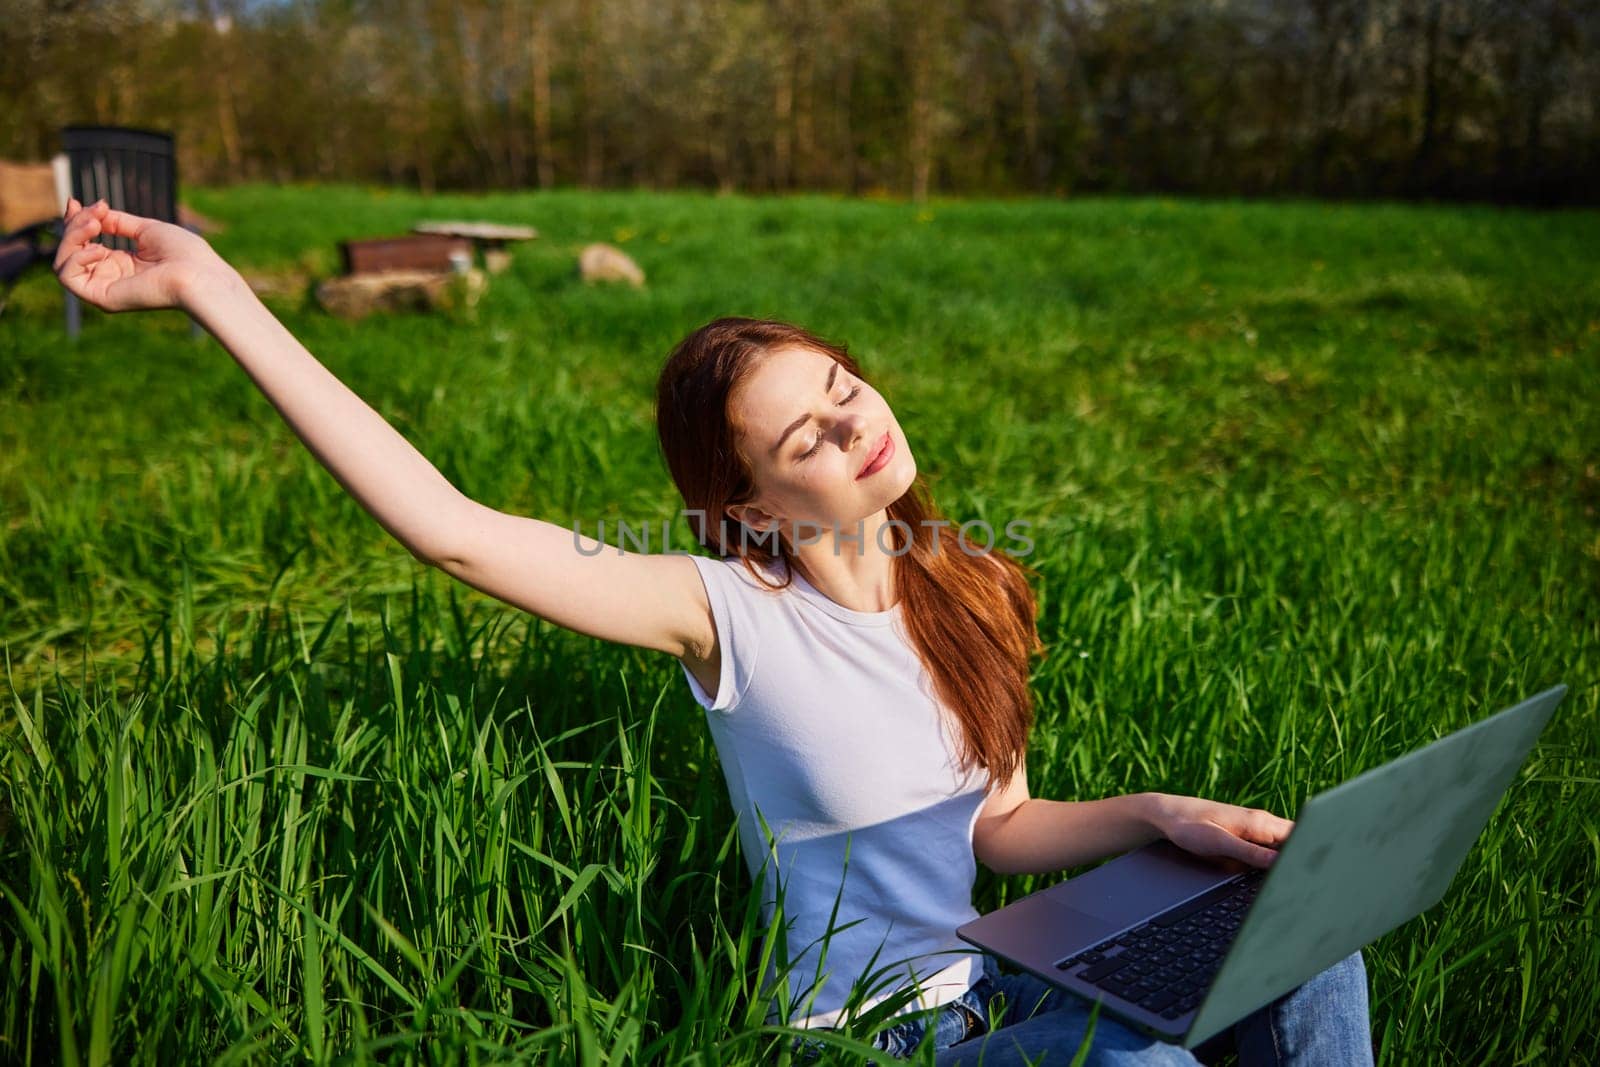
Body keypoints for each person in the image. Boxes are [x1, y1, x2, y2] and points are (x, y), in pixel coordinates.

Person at [53, 198, 1374, 1065]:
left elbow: (996, 831)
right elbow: (448, 526)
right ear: (745, 498)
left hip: (995, 985)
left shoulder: (966, 587)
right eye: (809, 433)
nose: (857, 425)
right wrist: (218, 287)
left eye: (846, 390)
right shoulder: (722, 614)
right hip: (860, 1036)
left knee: (1314, 944)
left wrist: (1157, 816)